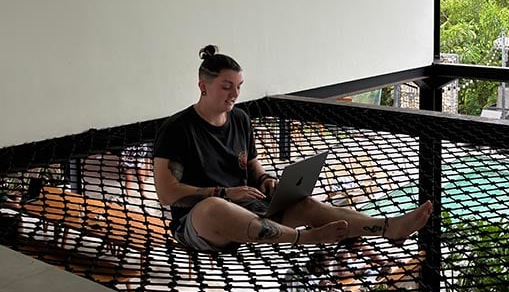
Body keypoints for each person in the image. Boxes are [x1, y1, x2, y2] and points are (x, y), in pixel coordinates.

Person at [153, 45, 432, 254]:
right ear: (203, 86)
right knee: (213, 207)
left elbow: (251, 164)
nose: (235, 94)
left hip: (251, 211)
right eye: (227, 87)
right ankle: (303, 238)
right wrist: (225, 193)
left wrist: (265, 180)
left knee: (306, 203)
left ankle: (388, 227)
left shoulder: (240, 119)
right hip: (200, 224)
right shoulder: (178, 129)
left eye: (238, 86)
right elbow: (167, 194)